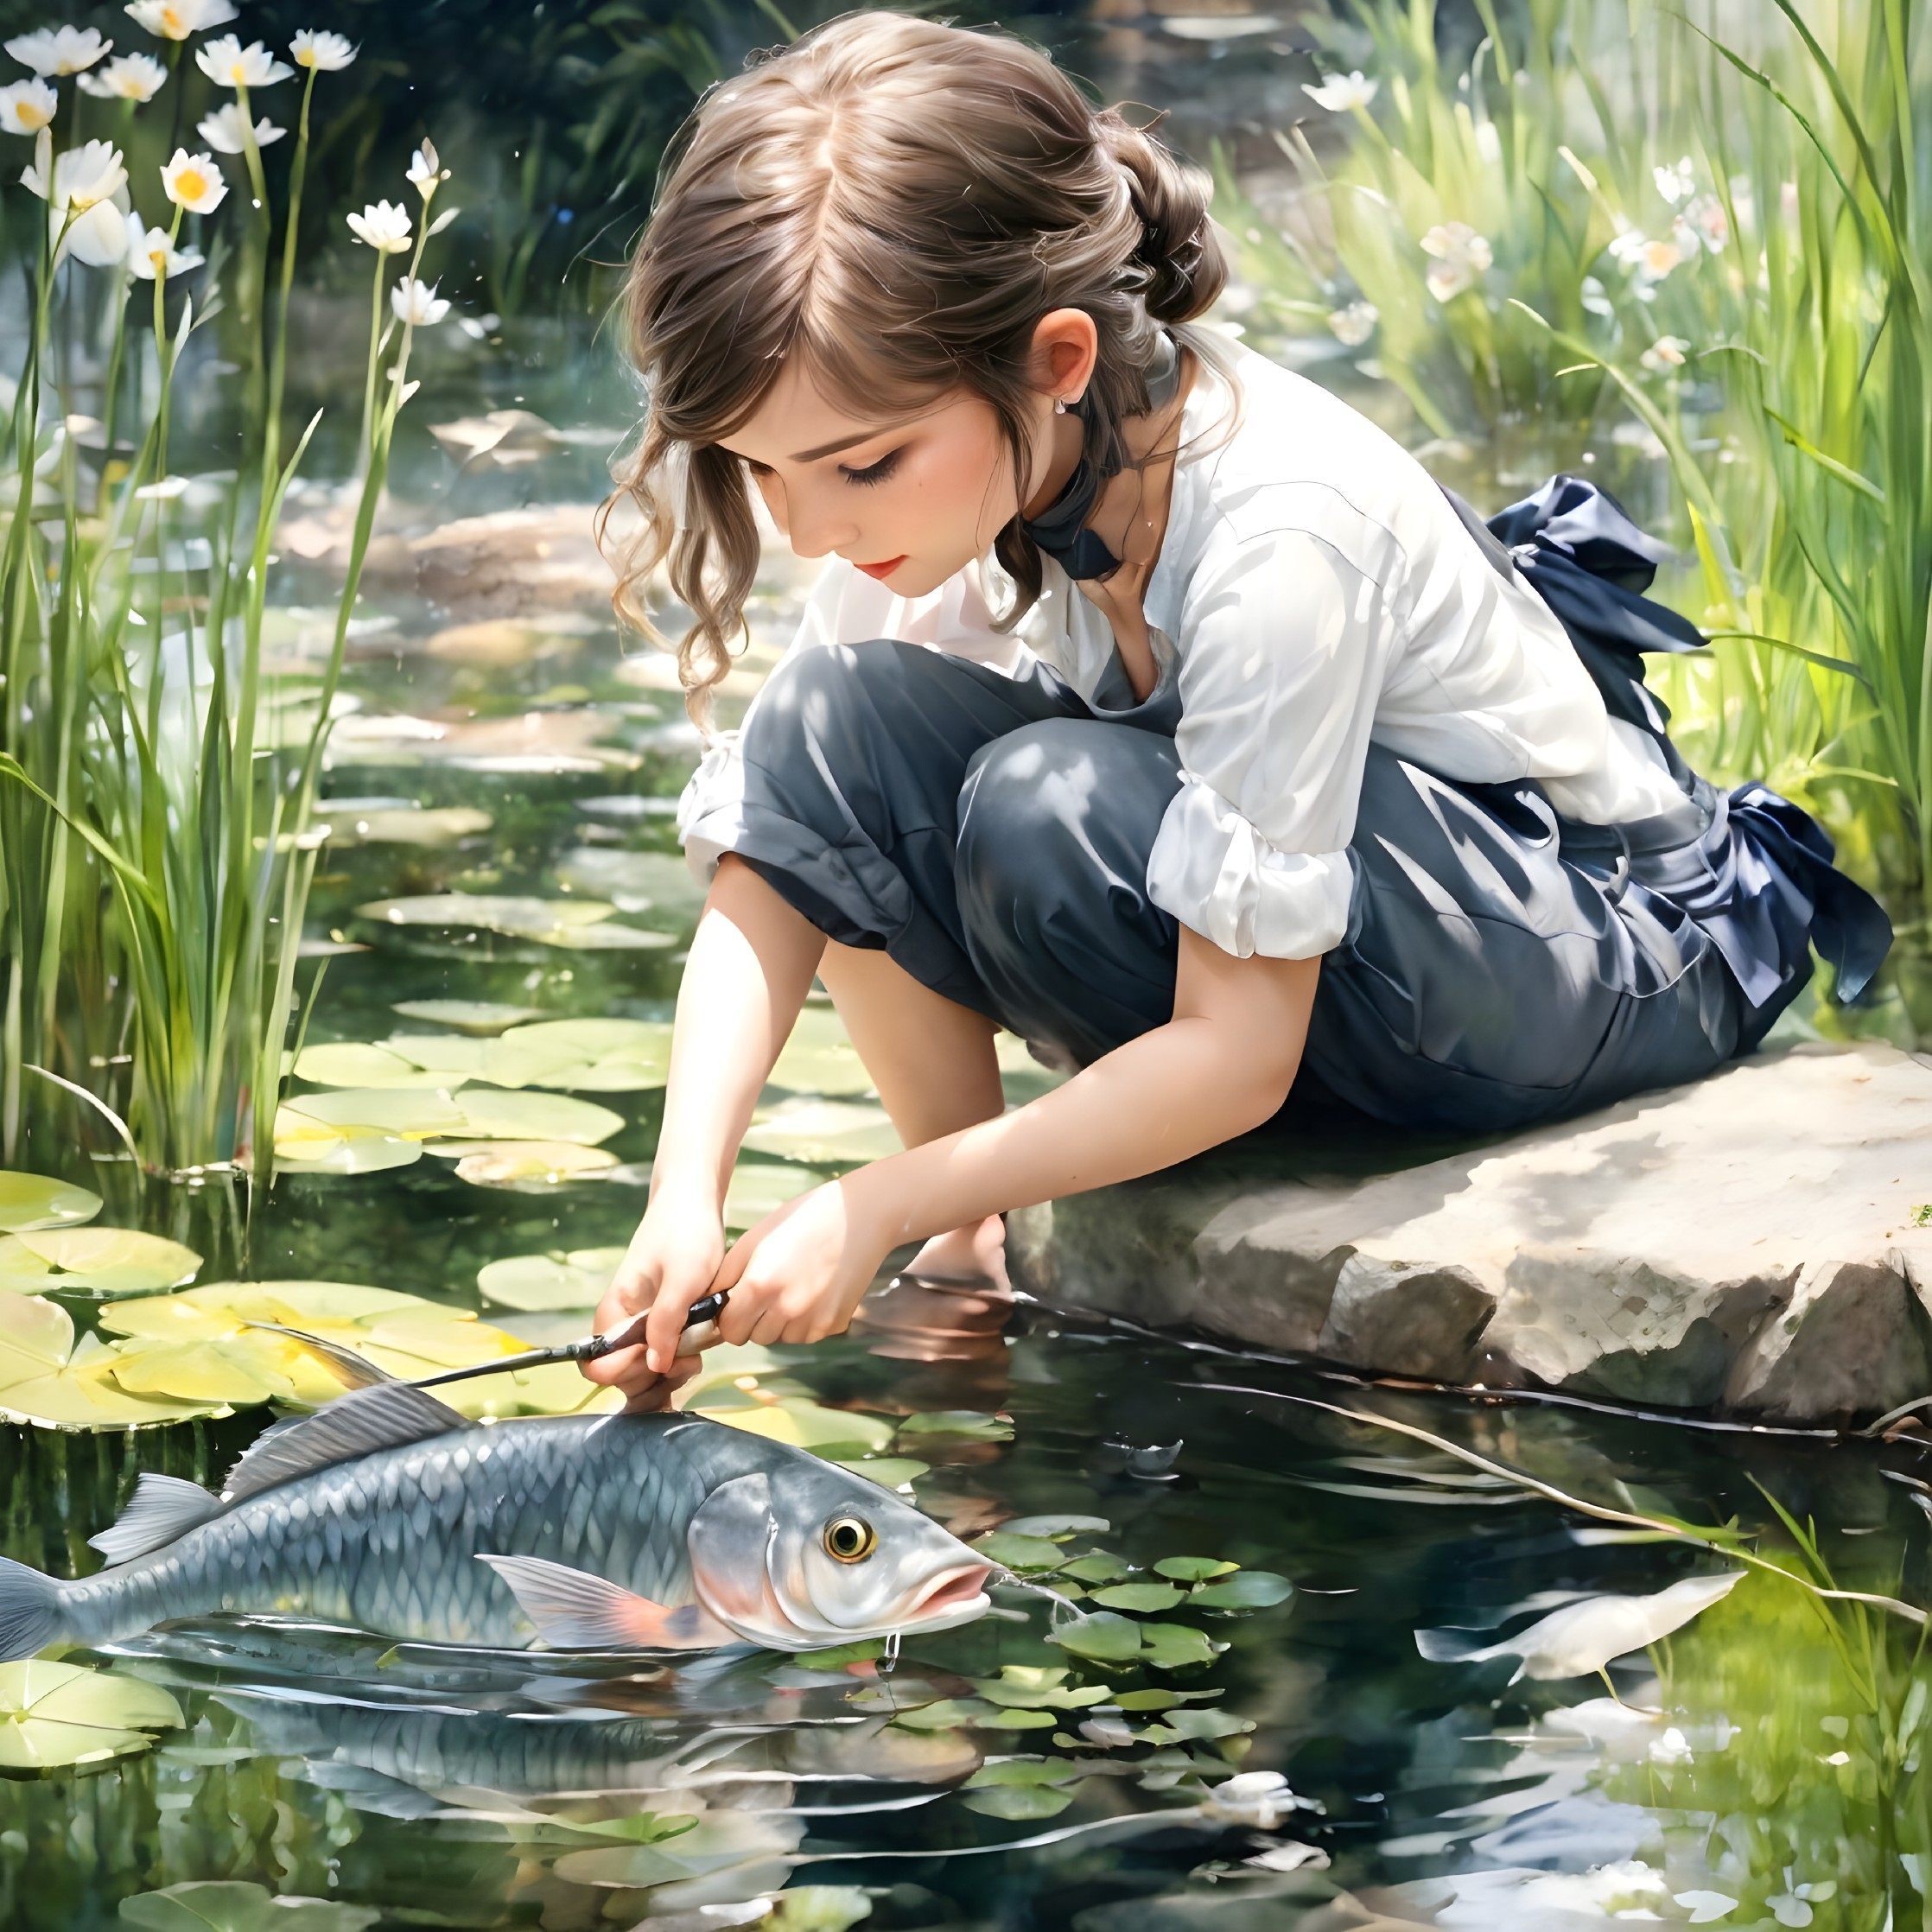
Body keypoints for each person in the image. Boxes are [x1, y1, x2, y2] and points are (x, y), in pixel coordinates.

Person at [582, 11, 1889, 1407]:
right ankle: (983, 1250)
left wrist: (872, 1201)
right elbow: (796, 835)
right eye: (761, 475)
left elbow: (1239, 1048)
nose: (802, 530)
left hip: (1605, 941)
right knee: (832, 715)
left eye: (858, 466)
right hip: (1380, 951)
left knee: (1049, 808)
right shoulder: (966, 480)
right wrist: (683, 1196)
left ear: (1059, 359)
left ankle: (957, 1208)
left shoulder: (1278, 538)